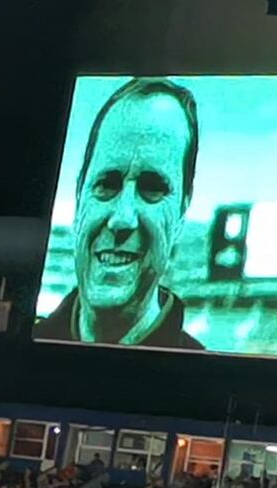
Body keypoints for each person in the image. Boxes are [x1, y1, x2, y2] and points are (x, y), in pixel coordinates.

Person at [34, 77, 203, 350]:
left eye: (152, 188)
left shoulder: (205, 374)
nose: (122, 218)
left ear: (182, 211)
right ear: (79, 196)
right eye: (106, 184)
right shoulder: (11, 355)